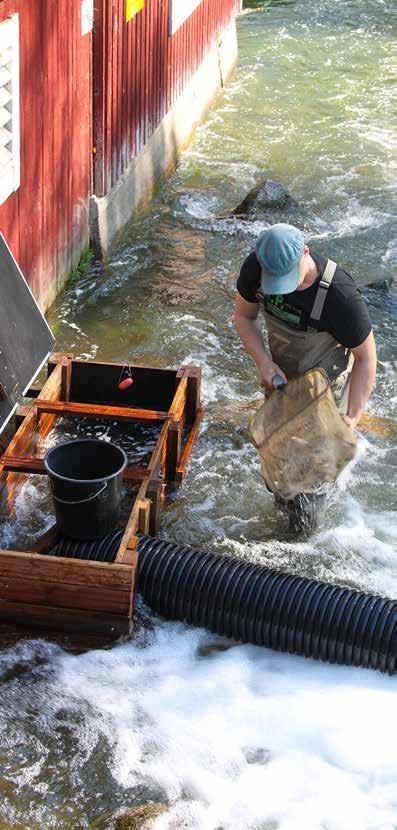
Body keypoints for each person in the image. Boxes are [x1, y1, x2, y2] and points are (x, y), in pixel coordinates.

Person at [234, 223, 377, 528]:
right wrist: (263, 362)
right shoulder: (255, 268)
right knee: (280, 471)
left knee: (310, 486)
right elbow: (244, 317)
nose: (281, 288)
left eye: (288, 278)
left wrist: (352, 417)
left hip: (323, 393)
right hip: (282, 382)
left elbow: (366, 358)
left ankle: (306, 539)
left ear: (306, 253)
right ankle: (283, 520)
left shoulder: (340, 296)